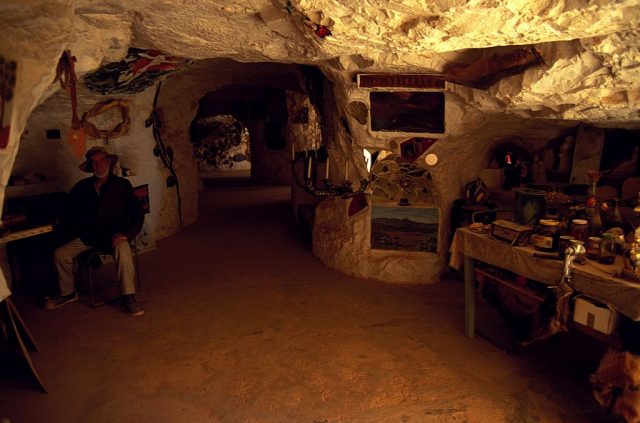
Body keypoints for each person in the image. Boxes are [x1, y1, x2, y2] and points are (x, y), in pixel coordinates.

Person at [44, 146, 145, 316]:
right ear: (91, 166)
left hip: (115, 236)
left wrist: (126, 234)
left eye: (102, 161)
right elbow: (64, 208)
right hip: (90, 236)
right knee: (60, 254)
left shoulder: (122, 185)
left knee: (123, 248)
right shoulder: (82, 187)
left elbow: (137, 213)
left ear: (109, 162)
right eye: (94, 162)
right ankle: (68, 293)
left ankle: (128, 296)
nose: (99, 165)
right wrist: (26, 217)